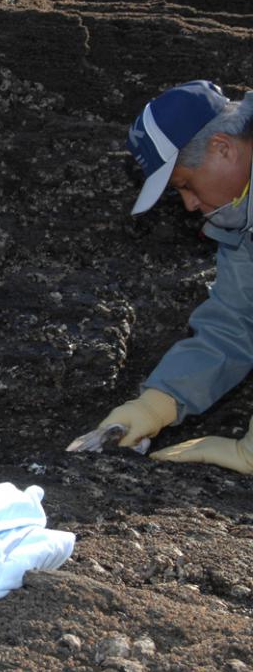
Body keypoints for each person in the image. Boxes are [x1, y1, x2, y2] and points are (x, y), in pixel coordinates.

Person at [96, 79, 253, 473]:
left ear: (222, 148)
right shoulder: (240, 222)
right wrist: (158, 402)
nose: (189, 204)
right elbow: (236, 322)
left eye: (184, 184)